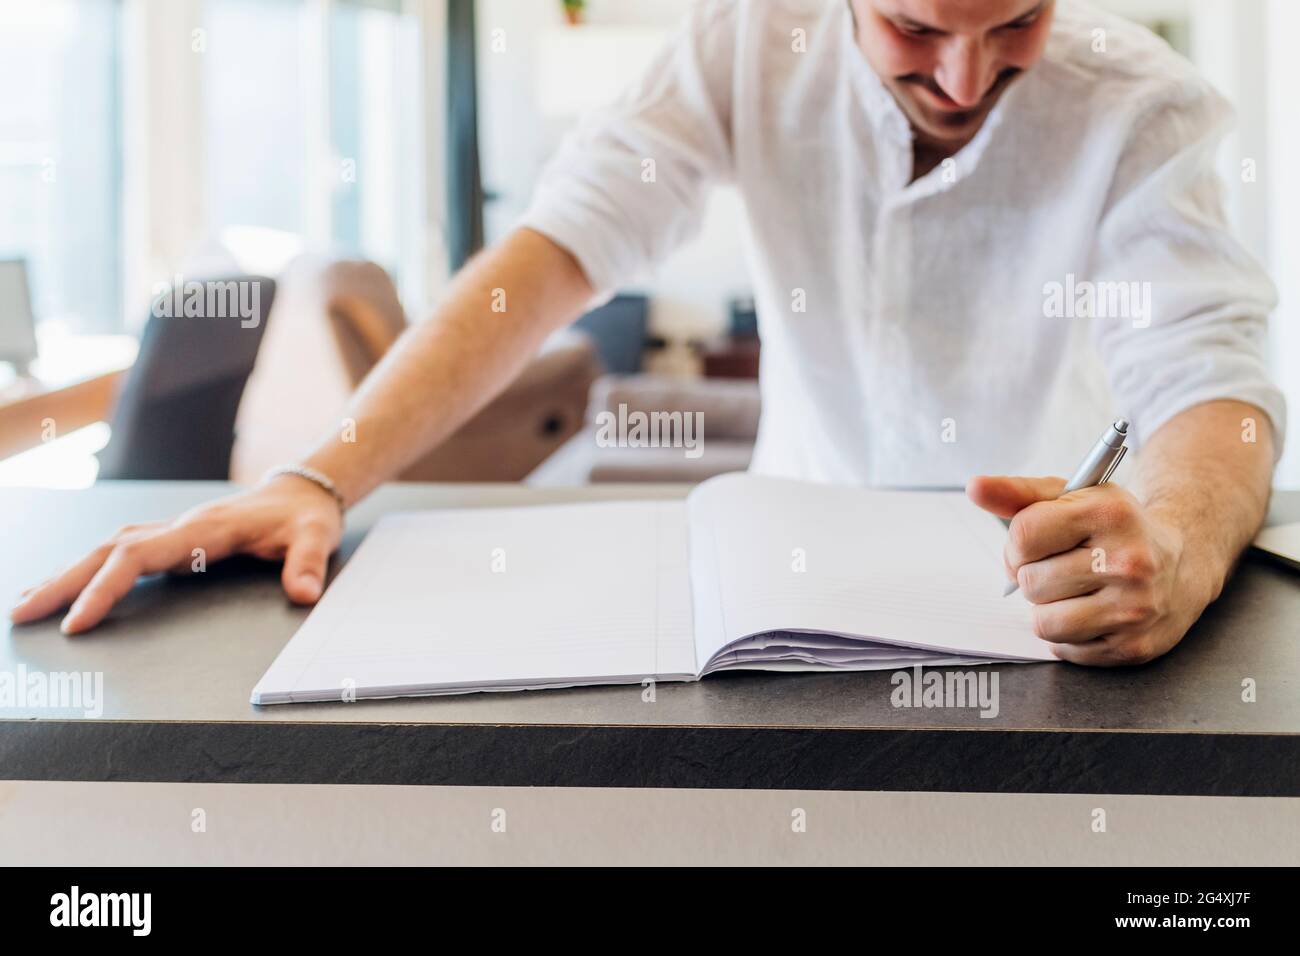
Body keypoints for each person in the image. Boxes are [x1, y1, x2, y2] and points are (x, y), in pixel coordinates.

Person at [11, 0, 1285, 667]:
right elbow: (554, 249)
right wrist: (317, 471)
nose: (964, 79)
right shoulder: (744, 40)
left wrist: (1171, 534)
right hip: (791, 599)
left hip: (1052, 596)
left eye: (1015, 24)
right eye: (914, 27)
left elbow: (1209, 374)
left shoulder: (1142, 108)